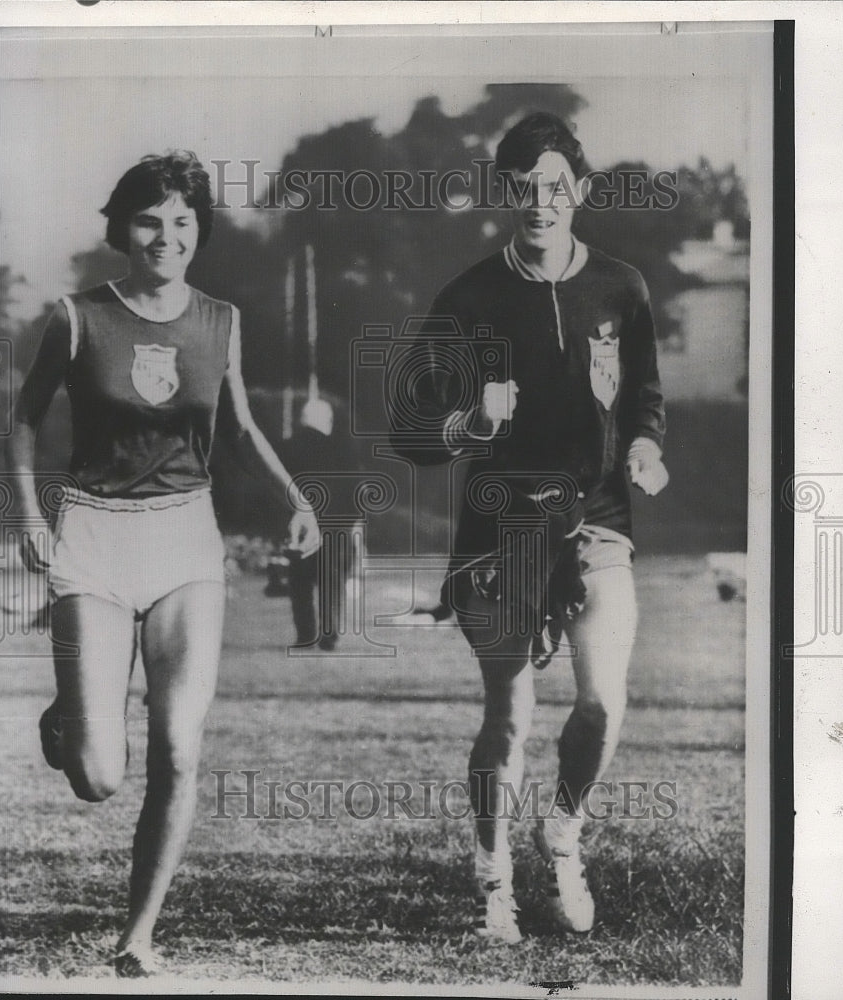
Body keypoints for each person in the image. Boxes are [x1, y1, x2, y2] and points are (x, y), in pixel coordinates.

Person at [7, 151, 319, 976]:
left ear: (199, 232)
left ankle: (137, 934)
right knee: (99, 778)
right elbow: (25, 419)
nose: (167, 235)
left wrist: (298, 499)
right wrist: (32, 518)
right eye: (151, 219)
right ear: (124, 227)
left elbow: (243, 428)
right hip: (95, 539)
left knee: (179, 748)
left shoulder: (221, 320)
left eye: (183, 221)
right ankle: (72, 718)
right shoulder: (76, 318)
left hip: (185, 538)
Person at [391, 112, 667, 942]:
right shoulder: (469, 299)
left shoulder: (622, 287)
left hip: (598, 518)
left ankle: (564, 836)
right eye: (523, 189)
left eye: (554, 186)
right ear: (507, 194)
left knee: (601, 706)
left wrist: (648, 443)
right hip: (500, 527)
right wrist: (471, 422)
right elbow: (409, 428)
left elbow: (646, 392)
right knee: (509, 712)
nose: (540, 203)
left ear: (578, 190)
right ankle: (494, 886)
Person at [275, 397, 354, 651]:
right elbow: (356, 490)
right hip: (335, 525)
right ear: (326, 421)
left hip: (299, 524)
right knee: (332, 582)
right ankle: (329, 635)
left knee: (300, 582)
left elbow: (277, 490)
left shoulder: (286, 448)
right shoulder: (343, 448)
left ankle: (305, 634)